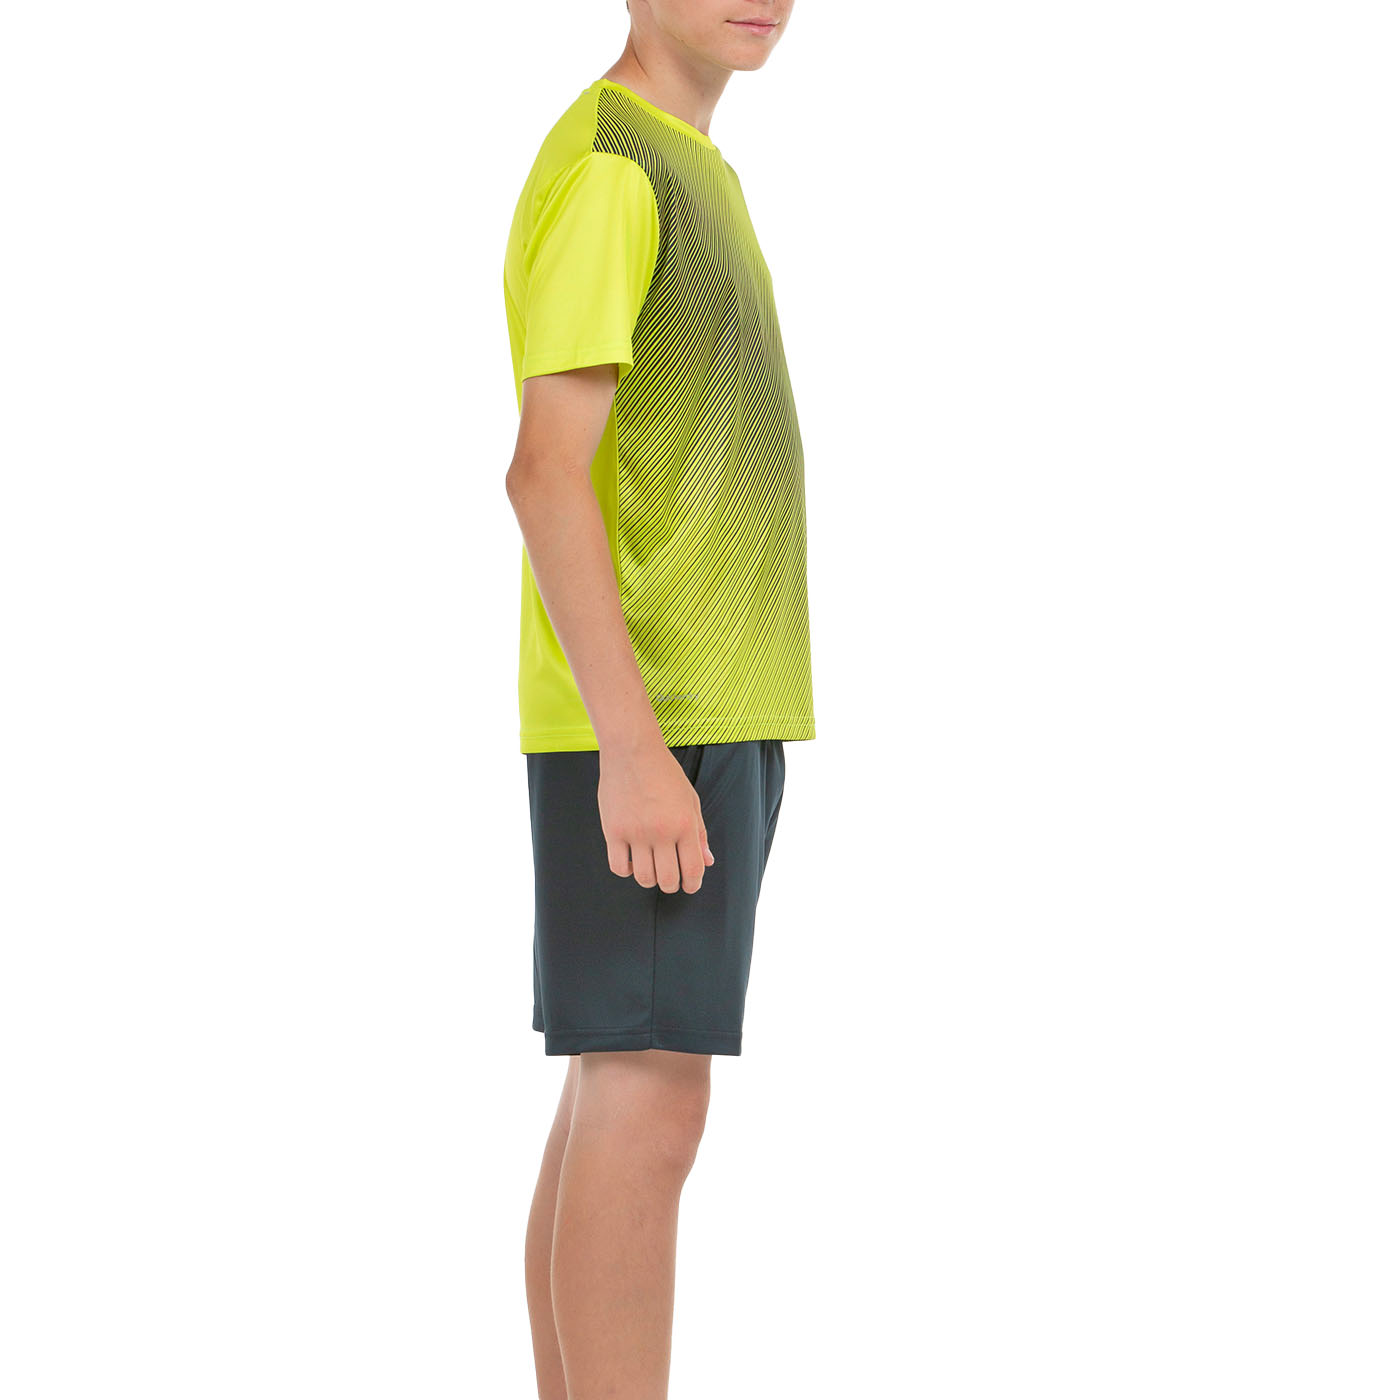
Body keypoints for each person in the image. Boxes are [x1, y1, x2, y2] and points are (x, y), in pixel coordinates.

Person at [500, 3, 811, 1395]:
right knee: (648, 1101)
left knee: (617, 1092)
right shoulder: (615, 168)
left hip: (704, 706)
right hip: (654, 715)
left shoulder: (683, 162)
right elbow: (544, 470)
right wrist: (632, 747)